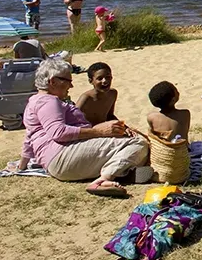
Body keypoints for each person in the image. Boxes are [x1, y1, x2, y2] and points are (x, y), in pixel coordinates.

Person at [14, 58, 148, 197]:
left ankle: (123, 173)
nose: (71, 86)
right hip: (62, 158)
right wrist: (99, 132)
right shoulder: (49, 102)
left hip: (57, 162)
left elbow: (29, 136)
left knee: (122, 143)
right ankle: (104, 180)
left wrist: (22, 165)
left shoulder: (35, 100)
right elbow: (59, 132)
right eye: (67, 81)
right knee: (138, 143)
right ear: (53, 81)